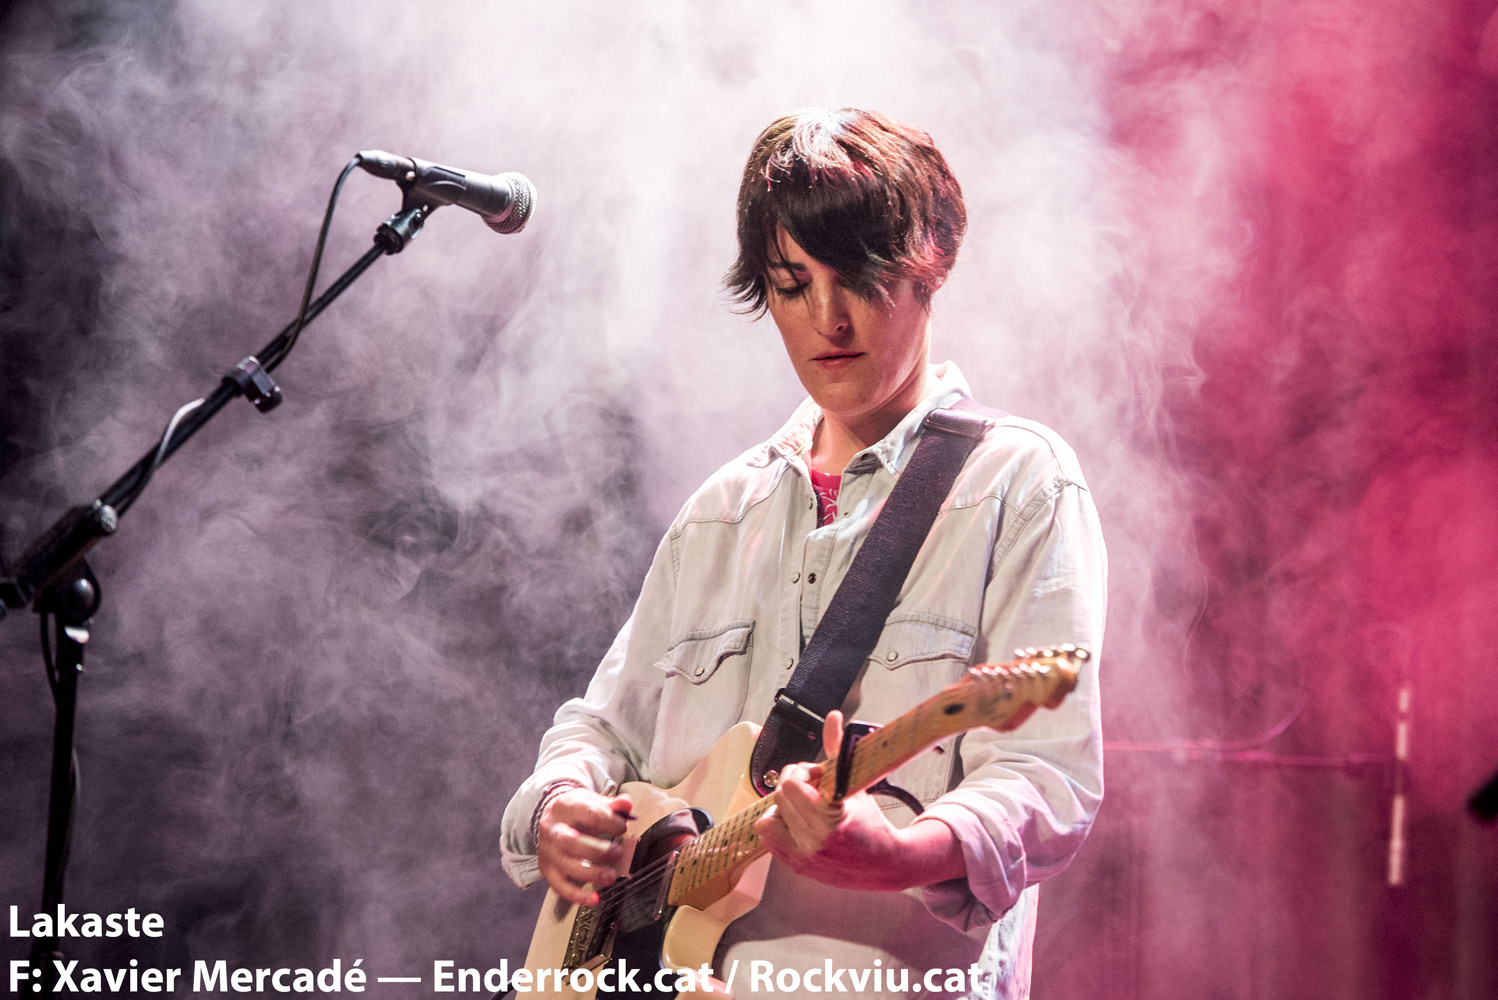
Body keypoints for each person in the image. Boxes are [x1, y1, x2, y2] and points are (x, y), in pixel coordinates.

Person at [500, 108, 1106, 999]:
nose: (828, 318)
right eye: (791, 285)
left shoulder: (1020, 482)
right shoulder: (719, 513)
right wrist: (559, 806)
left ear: (930, 265)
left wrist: (904, 854)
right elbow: (601, 729)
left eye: (857, 277)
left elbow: (1046, 774)